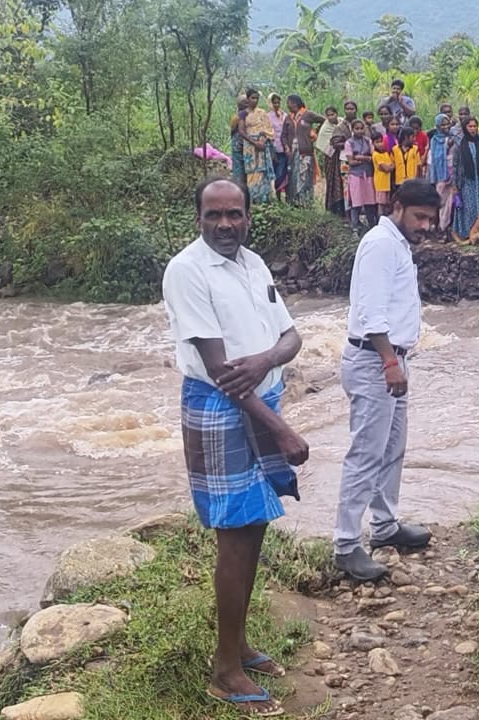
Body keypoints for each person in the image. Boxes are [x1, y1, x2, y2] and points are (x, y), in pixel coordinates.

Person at [162, 177, 312, 718]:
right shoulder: (187, 270)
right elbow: (222, 371)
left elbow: (291, 337)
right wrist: (282, 429)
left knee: (254, 527)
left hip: (261, 399)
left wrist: (267, 359)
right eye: (214, 215)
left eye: (234, 214)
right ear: (198, 219)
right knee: (234, 533)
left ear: (248, 216)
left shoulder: (254, 264)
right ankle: (225, 671)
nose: (225, 224)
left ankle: (239, 644)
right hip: (220, 407)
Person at [334, 180, 440, 581]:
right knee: (366, 451)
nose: (425, 226)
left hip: (391, 357)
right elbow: (371, 309)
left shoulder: (397, 244)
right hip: (374, 359)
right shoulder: (380, 244)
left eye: (430, 219)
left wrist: (396, 360)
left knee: (392, 447)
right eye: (419, 217)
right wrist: (389, 361)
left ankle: (384, 525)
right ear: (397, 206)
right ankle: (346, 544)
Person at [238, 88, 277, 203]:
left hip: (262, 145)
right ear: (247, 99)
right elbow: (241, 131)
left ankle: (265, 200)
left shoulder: (262, 113)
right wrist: (254, 143)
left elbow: (268, 129)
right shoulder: (243, 114)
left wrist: (262, 141)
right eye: (252, 98)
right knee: (252, 172)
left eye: (257, 98)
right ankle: (254, 200)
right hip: (250, 146)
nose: (255, 100)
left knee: (262, 171)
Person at [284, 95, 324, 206]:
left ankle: (306, 202)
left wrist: (315, 133)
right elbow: (284, 135)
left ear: (294, 103)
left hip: (305, 151)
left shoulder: (308, 114)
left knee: (305, 176)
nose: (287, 105)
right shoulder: (288, 118)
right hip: (292, 153)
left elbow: (324, 120)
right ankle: (294, 202)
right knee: (293, 176)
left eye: (288, 103)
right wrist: (286, 146)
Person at [344, 119, 378, 229]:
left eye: (361, 128)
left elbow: (374, 157)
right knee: (356, 203)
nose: (359, 131)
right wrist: (366, 158)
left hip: (368, 175)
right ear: (352, 130)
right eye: (357, 129)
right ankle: (354, 227)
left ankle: (372, 226)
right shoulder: (349, 143)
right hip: (355, 176)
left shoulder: (368, 141)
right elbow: (351, 162)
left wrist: (360, 157)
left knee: (370, 202)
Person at [326, 101, 358, 217]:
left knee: (357, 187)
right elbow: (334, 143)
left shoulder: (359, 124)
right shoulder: (340, 126)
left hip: (359, 160)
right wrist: (349, 144)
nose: (349, 111)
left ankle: (357, 214)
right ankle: (347, 214)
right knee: (346, 188)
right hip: (345, 160)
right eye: (347, 109)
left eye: (352, 109)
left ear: (356, 110)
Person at [428, 113, 456, 232]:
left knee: (451, 202)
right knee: (441, 201)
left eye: (447, 124)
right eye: (442, 125)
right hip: (441, 174)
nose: (445, 127)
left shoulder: (454, 137)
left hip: (453, 173)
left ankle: (447, 226)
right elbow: (436, 157)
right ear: (438, 126)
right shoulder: (435, 140)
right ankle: (440, 227)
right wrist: (446, 146)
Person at [267, 93, 290, 200]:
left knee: (283, 173)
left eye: (278, 102)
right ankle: (277, 196)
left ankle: (281, 195)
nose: (276, 105)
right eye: (274, 103)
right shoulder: (268, 117)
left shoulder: (285, 115)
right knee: (276, 173)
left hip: (284, 148)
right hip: (273, 149)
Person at [371, 135, 395, 216]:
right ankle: (379, 220)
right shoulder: (375, 154)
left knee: (386, 203)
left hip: (387, 182)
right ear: (373, 144)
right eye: (377, 142)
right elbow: (386, 168)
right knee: (381, 204)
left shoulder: (385, 153)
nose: (380, 144)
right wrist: (389, 167)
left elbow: (392, 165)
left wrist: (389, 167)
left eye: (381, 141)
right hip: (380, 183)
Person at [393, 127, 422, 191]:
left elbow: (418, 165)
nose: (414, 139)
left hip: (412, 181)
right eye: (412, 137)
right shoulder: (394, 150)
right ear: (406, 137)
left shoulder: (415, 149)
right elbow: (392, 166)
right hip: (399, 181)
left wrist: (418, 181)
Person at [230, 97, 249, 184]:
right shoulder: (237, 117)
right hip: (239, 146)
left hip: (244, 145)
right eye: (244, 102)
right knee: (239, 170)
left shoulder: (239, 116)